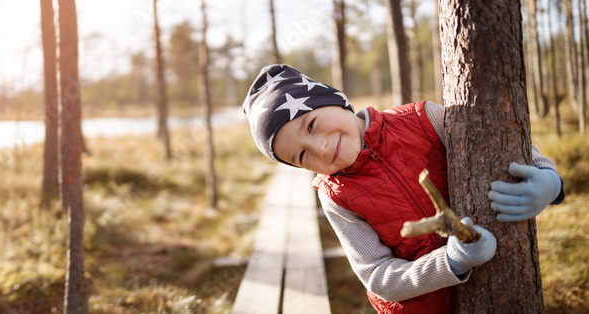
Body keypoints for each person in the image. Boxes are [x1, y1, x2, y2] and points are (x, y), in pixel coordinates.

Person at [242, 64, 565, 313]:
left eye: (311, 125)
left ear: (336, 100)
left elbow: (499, 148)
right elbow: (378, 276)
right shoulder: (335, 195)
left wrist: (547, 179)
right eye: (301, 156)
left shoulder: (425, 119)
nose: (321, 148)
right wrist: (450, 261)